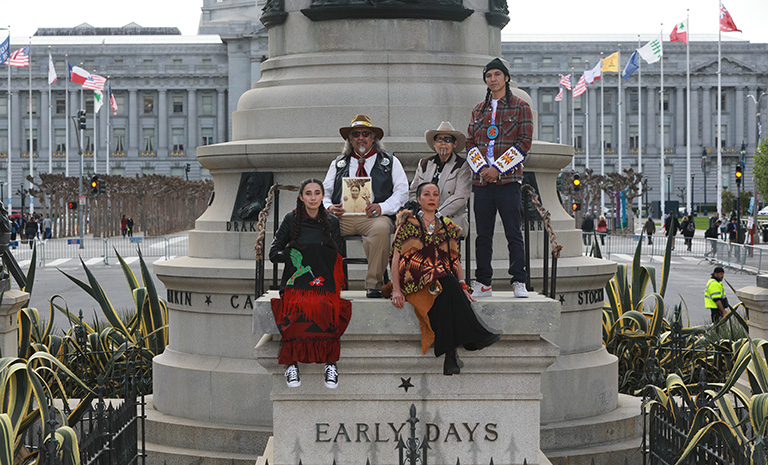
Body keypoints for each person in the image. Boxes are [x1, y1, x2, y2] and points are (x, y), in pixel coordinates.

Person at [390, 182, 500, 375]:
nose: (431, 198)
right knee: (448, 284)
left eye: (435, 194)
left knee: (447, 291)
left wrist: (463, 287)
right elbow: (395, 258)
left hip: (440, 280)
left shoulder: (447, 226)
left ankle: (450, 356)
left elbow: (454, 260)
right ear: (418, 199)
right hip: (414, 280)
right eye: (426, 194)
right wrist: (396, 290)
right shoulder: (407, 224)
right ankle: (475, 338)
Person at [269, 179, 350, 389]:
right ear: (301, 197)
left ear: (323, 196)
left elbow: (339, 254)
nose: (313, 198)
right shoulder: (291, 219)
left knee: (326, 308)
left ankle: (330, 364)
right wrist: (295, 254)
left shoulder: (331, 221)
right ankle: (291, 364)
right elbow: (274, 252)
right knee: (298, 309)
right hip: (296, 280)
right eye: (308, 193)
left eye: (317, 193)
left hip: (323, 280)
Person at [465, 58, 532, 298]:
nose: (492, 79)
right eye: (488, 76)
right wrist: (483, 168)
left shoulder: (520, 106)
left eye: (497, 74)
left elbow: (524, 142)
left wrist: (498, 169)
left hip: (508, 180)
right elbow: (470, 142)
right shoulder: (478, 109)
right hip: (482, 182)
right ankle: (483, 281)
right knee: (483, 234)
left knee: (514, 232)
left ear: (506, 77)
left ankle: (519, 280)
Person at [323, 114, 409, 298]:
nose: (360, 138)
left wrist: (382, 207)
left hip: (374, 218)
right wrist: (329, 207)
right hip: (342, 218)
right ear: (350, 139)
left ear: (373, 138)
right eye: (355, 134)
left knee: (380, 228)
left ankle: (374, 284)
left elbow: (402, 193)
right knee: (322, 226)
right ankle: (327, 280)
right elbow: (324, 193)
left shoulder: (390, 162)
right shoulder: (338, 164)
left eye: (365, 134)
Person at [409, 121, 472, 234]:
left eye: (448, 140)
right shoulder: (424, 163)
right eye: (440, 140)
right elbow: (413, 192)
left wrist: (435, 215)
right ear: (434, 143)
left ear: (455, 144)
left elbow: (460, 197)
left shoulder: (462, 165)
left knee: (434, 232)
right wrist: (420, 213)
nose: (443, 143)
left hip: (451, 219)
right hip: (422, 217)